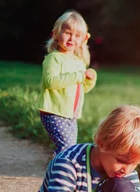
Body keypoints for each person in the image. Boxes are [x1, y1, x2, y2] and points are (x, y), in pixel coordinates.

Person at [40, 10, 97, 155]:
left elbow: (80, 89)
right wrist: (79, 76)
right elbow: (50, 82)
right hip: (53, 111)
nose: (72, 38)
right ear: (56, 34)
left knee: (68, 148)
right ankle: (60, 174)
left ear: (83, 40)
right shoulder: (54, 59)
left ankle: (57, 171)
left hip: (71, 114)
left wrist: (90, 80)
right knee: (67, 147)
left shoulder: (78, 62)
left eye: (77, 36)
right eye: (68, 33)